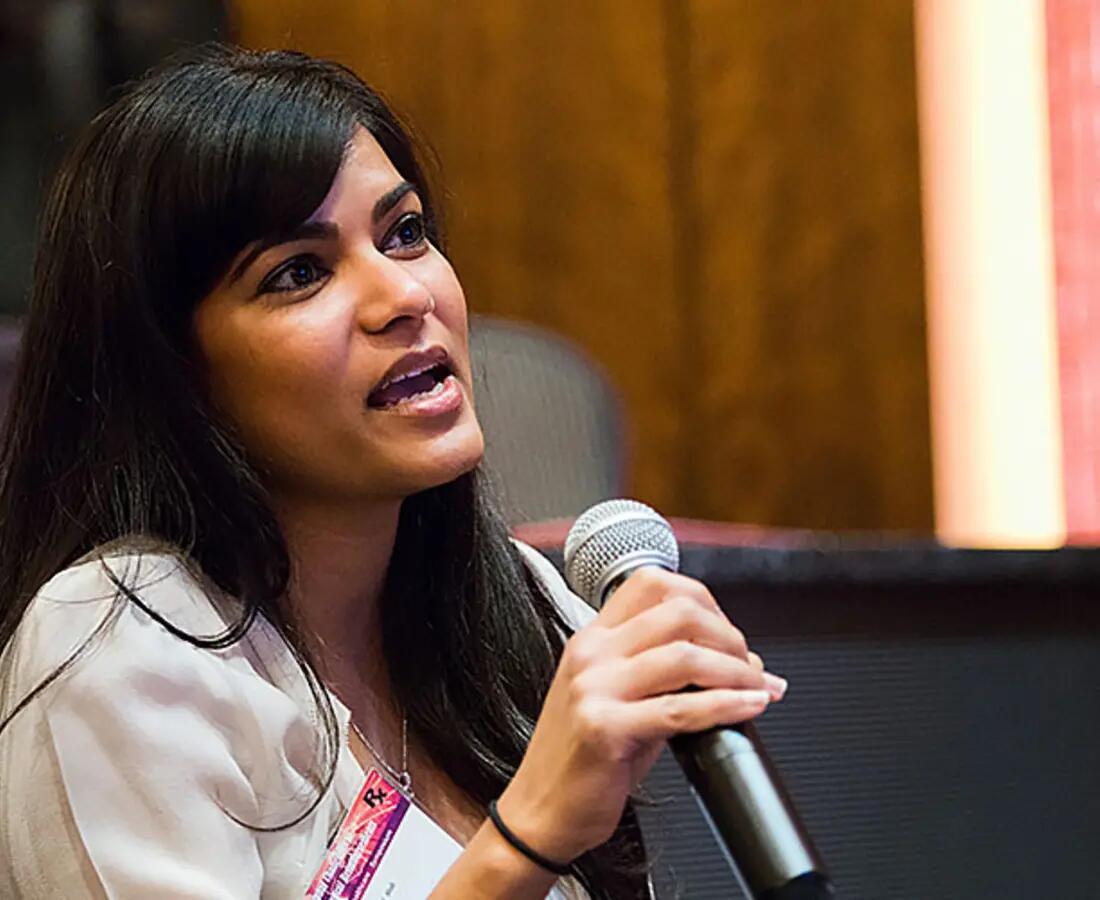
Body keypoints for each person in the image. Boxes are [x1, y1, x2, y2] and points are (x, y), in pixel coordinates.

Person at [0, 44, 787, 899]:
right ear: (171, 371)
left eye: (405, 233)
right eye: (299, 273)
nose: (404, 297)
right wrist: (526, 836)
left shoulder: (518, 604)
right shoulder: (123, 643)